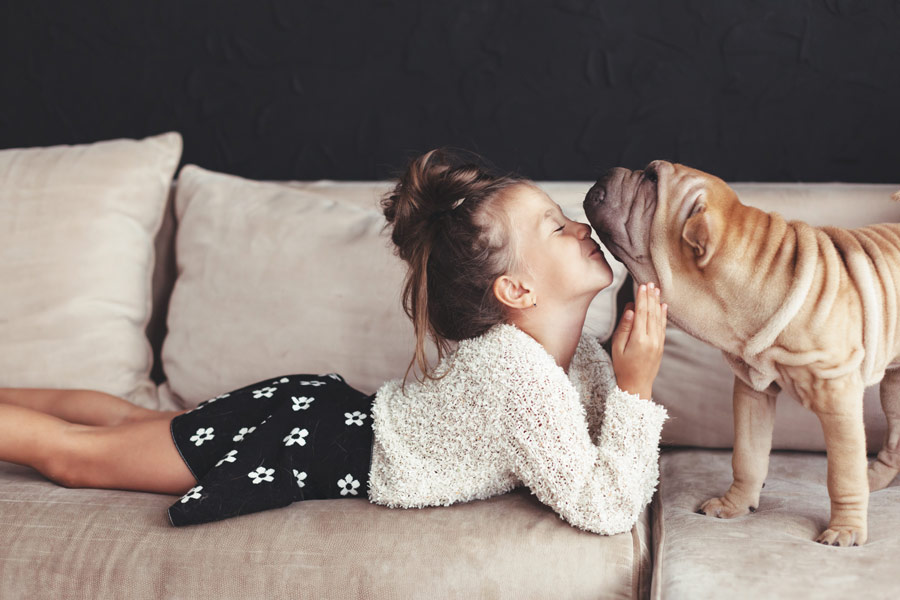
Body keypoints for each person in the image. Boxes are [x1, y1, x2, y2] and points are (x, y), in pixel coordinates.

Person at [0, 148, 668, 534]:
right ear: (515, 292)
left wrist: (621, 377)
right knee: (77, 458)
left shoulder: (569, 357)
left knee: (136, 423)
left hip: (321, 417)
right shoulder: (515, 373)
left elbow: (595, 444)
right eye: (557, 227)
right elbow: (604, 505)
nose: (583, 226)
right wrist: (636, 386)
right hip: (314, 438)